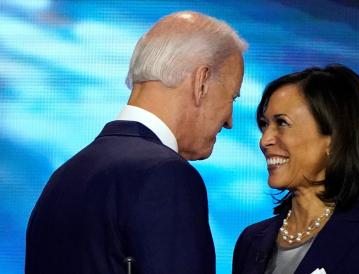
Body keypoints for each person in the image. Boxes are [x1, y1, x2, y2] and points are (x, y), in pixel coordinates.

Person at [25, 11, 246, 274]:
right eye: (231, 97)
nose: (229, 120)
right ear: (201, 82)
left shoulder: (65, 176)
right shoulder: (165, 176)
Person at [232, 65, 359, 274]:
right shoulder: (251, 241)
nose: (265, 140)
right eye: (264, 125)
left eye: (282, 123)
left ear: (334, 138)